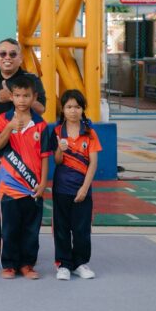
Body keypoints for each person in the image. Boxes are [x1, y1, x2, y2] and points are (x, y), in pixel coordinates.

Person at [0, 38, 46, 259]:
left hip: (27, 153)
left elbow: (42, 108)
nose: (7, 58)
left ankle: (25, 250)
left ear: (20, 57)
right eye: (3, 54)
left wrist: (11, 96)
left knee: (27, 201)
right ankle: (4, 242)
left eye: (12, 54)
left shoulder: (31, 80)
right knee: (1, 198)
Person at [0, 76, 50, 280]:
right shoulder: (3, 119)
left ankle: (27, 264)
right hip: (9, 185)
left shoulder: (41, 124)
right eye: (17, 95)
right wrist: (10, 127)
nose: (22, 100)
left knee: (31, 229)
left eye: (26, 96)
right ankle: (9, 265)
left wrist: (43, 183)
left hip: (33, 186)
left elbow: (45, 156)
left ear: (34, 97)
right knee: (9, 227)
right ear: (11, 96)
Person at [47, 89, 100, 281]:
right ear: (63, 109)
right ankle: (63, 265)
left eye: (77, 107)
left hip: (82, 190)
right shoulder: (56, 132)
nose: (73, 111)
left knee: (81, 229)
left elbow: (93, 163)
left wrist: (84, 188)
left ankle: (80, 263)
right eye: (69, 107)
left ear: (82, 109)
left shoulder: (89, 133)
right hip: (61, 189)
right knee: (61, 228)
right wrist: (60, 150)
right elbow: (57, 161)